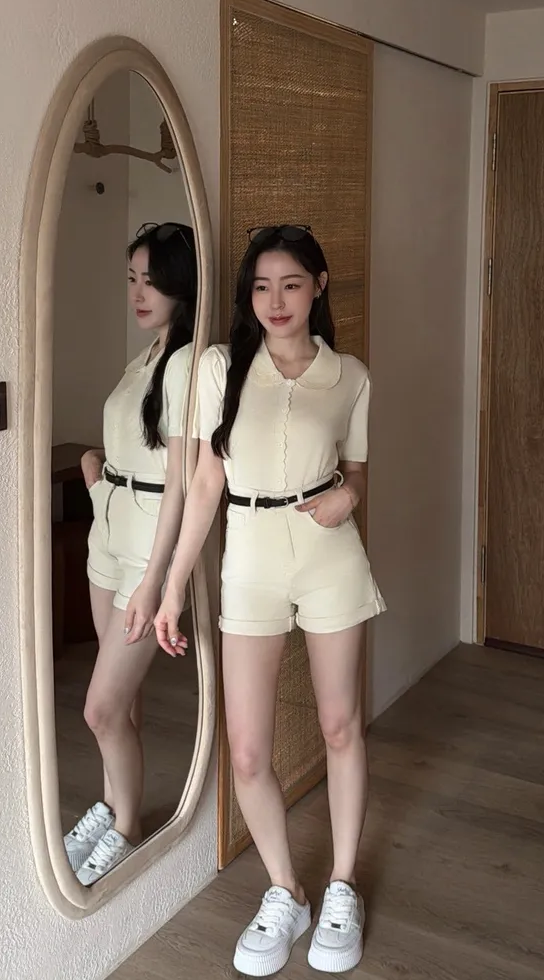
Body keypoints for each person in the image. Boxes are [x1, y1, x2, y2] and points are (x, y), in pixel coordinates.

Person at [154, 224, 385, 976]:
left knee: (340, 725)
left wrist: (350, 496)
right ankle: (287, 891)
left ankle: (342, 885)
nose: (275, 300)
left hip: (327, 555)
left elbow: (356, 469)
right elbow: (204, 483)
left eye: (290, 284)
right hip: (249, 557)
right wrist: (172, 588)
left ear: (319, 286)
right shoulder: (220, 367)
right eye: (260, 286)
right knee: (248, 749)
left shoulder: (350, 376)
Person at [62, 221, 197, 886]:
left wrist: (158, 579)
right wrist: (96, 475)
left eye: (153, 281)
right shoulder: (144, 357)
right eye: (132, 280)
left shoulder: (189, 364)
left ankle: (126, 829)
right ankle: (115, 804)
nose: (139, 294)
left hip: (147, 545)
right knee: (122, 696)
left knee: (101, 708)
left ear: (182, 286)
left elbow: (182, 482)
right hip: (109, 532)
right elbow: (125, 447)